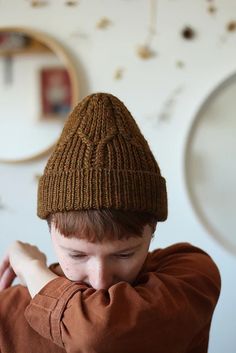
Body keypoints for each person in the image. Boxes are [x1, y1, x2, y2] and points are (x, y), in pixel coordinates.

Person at [0, 93, 221, 353]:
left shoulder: (188, 273)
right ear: (50, 231)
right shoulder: (8, 310)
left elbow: (99, 336)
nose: (101, 280)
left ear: (152, 231)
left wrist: (30, 268)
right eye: (77, 255)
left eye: (124, 254)